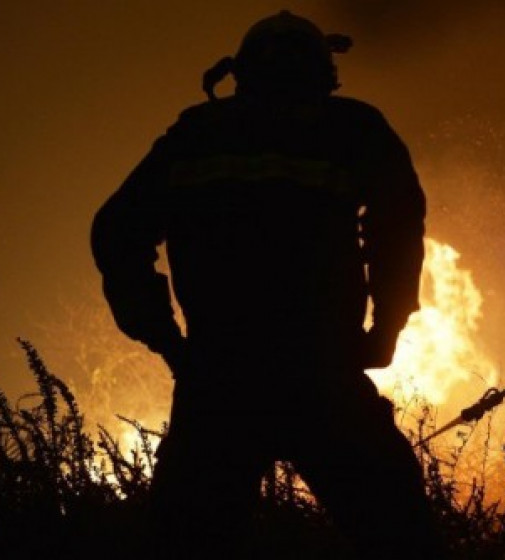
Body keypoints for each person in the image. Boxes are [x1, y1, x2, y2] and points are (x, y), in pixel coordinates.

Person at [91, 11, 444, 558]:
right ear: (325, 75)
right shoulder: (352, 130)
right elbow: (397, 228)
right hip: (323, 376)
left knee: (186, 539)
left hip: (220, 379)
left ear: (241, 74)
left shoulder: (197, 135)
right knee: (400, 534)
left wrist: (165, 338)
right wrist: (387, 325)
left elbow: (117, 230)